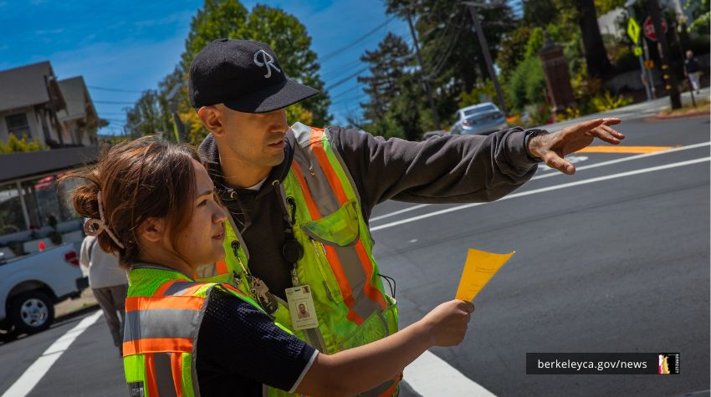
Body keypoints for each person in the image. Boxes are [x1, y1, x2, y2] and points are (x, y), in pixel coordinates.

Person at [190, 39, 625, 395]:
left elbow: (436, 160)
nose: (280, 123)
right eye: (261, 111)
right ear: (213, 120)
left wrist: (526, 144)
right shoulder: (183, 201)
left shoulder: (333, 156)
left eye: (283, 106)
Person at [69, 137, 474, 396]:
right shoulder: (209, 309)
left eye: (216, 199)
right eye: (201, 204)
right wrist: (430, 331)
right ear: (152, 228)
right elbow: (332, 381)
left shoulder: (140, 305)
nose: (220, 216)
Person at [79, 233, 128, 357]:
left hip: (97, 282)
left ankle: (118, 343)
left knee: (109, 314)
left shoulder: (88, 240)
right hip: (118, 279)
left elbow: (84, 261)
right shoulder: (114, 234)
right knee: (124, 310)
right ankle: (126, 341)